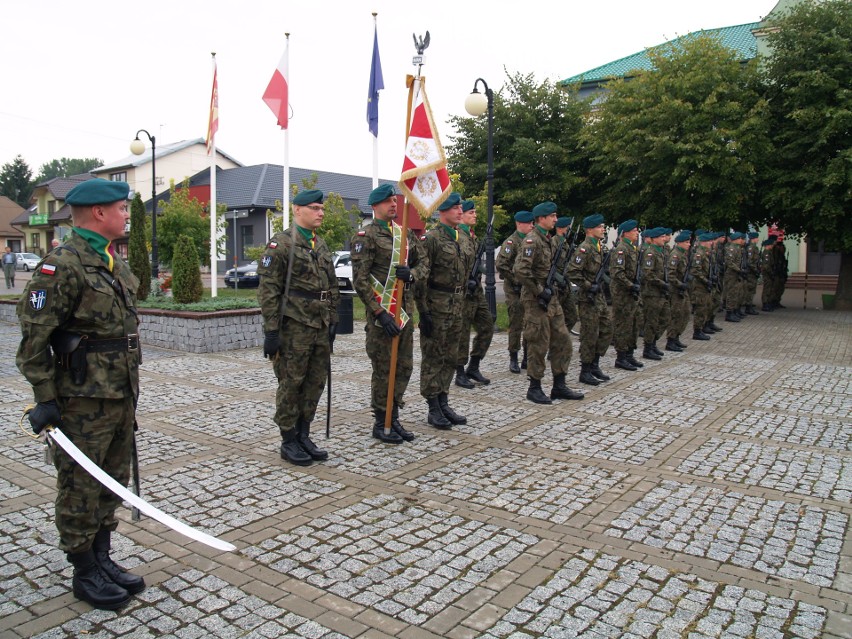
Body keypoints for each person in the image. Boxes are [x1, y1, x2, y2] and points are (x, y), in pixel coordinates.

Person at [17, 179, 144, 610]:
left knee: (112, 479)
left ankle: (103, 556)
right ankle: (83, 568)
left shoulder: (113, 262)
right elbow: (33, 340)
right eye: (122, 208)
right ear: (99, 214)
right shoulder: (62, 265)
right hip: (82, 399)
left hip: (120, 392)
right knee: (79, 486)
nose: (127, 215)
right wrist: (45, 398)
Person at [257, 189, 339, 466]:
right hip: (294, 328)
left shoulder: (321, 245)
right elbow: (269, 291)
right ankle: (288, 438)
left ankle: (304, 433)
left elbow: (331, 286)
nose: (320, 212)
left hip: (319, 325)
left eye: (322, 208)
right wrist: (271, 332)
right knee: (291, 384)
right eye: (315, 208)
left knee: (316, 382)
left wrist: (333, 319)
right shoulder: (280, 244)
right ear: (297, 210)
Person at [350, 184, 427, 444]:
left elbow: (423, 261)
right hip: (382, 316)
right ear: (375, 206)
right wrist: (379, 313)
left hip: (404, 313)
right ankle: (381, 420)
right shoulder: (366, 236)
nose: (394, 205)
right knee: (384, 369)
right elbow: (359, 280)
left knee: (404, 367)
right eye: (387, 201)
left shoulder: (404, 234)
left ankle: (394, 418)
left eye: (395, 200)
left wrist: (413, 274)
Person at [514, 202, 584, 404]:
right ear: (541, 218)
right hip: (536, 300)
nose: (555, 219)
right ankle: (534, 388)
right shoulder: (532, 241)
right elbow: (521, 270)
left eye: (555, 215)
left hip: (550, 298)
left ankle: (559, 385)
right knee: (538, 343)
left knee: (563, 341)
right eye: (552, 216)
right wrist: (538, 290)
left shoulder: (548, 240)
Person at [416, 193, 468, 429]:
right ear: (442, 212)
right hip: (436, 306)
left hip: (457, 305)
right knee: (434, 357)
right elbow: (421, 278)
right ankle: (432, 405)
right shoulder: (432, 239)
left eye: (460, 207)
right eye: (455, 207)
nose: (460, 211)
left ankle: (443, 399)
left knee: (451, 356)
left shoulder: (462, 237)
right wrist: (423, 312)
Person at [566, 213, 614, 385]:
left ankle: (595, 364)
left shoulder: (599, 247)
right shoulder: (584, 249)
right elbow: (572, 272)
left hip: (599, 296)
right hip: (588, 298)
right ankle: (585, 370)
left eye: (603, 226)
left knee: (607, 329)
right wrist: (588, 285)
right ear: (589, 230)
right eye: (600, 227)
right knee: (589, 334)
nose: (603, 229)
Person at [454, 199, 494, 388]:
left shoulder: (473, 237)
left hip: (476, 290)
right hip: (463, 293)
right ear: (461, 216)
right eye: (471, 213)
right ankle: (460, 372)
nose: (475, 215)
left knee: (487, 325)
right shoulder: (457, 236)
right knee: (462, 333)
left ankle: (474, 365)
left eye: (475, 212)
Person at [495, 211, 533, 374]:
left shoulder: (530, 241)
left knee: (529, 324)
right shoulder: (511, 242)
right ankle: (513, 358)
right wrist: (516, 280)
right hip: (514, 290)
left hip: (527, 289)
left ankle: (526, 358)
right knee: (516, 324)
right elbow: (501, 264)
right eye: (529, 223)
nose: (532, 226)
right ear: (519, 224)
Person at [609, 219, 644, 370]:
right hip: (622, 294)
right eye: (634, 230)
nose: (637, 233)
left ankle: (629, 354)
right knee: (623, 325)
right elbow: (617, 273)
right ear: (625, 233)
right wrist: (631, 285)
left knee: (634, 324)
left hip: (631, 293)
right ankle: (621, 357)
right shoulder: (621, 249)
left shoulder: (632, 249)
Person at [638, 227, 670, 360]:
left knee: (664, 318)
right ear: (654, 238)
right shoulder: (650, 253)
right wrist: (662, 283)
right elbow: (647, 274)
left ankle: (653, 343)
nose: (664, 239)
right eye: (661, 237)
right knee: (652, 321)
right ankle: (648, 347)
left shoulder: (660, 252)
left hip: (660, 293)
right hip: (651, 293)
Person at [665, 230, 693, 351]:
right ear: (680, 243)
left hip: (682, 289)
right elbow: (670, 275)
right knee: (676, 314)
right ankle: (671, 340)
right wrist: (680, 284)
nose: (689, 244)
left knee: (685, 313)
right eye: (687, 242)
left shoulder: (683, 254)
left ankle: (676, 337)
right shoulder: (675, 255)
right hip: (676, 290)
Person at [553, 216, 579, 345]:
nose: (569, 230)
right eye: (568, 228)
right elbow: (549, 266)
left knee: (572, 316)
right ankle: (554, 346)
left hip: (566, 286)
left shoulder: (566, 244)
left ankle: (559, 342)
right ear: (560, 228)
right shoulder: (554, 243)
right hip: (556, 287)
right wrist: (559, 278)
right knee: (554, 319)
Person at [689, 233, 715, 340]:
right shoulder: (699, 254)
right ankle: (697, 331)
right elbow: (696, 270)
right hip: (700, 286)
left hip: (704, 285)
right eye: (709, 241)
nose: (711, 243)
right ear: (704, 242)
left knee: (705, 307)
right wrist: (706, 280)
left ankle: (701, 328)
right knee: (700, 309)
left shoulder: (706, 253)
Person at [723, 232, 746, 322]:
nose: (742, 240)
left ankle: (734, 311)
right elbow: (730, 263)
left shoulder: (738, 248)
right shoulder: (731, 248)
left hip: (736, 274)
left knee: (736, 292)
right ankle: (729, 313)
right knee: (731, 293)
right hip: (731, 274)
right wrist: (739, 270)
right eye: (740, 238)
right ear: (736, 239)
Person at [760, 235, 778, 312]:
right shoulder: (766, 253)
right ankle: (765, 303)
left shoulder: (769, 252)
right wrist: (771, 273)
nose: (772, 246)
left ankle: (767, 302)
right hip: (767, 274)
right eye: (771, 245)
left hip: (769, 273)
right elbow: (766, 266)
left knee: (769, 288)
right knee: (767, 289)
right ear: (768, 245)